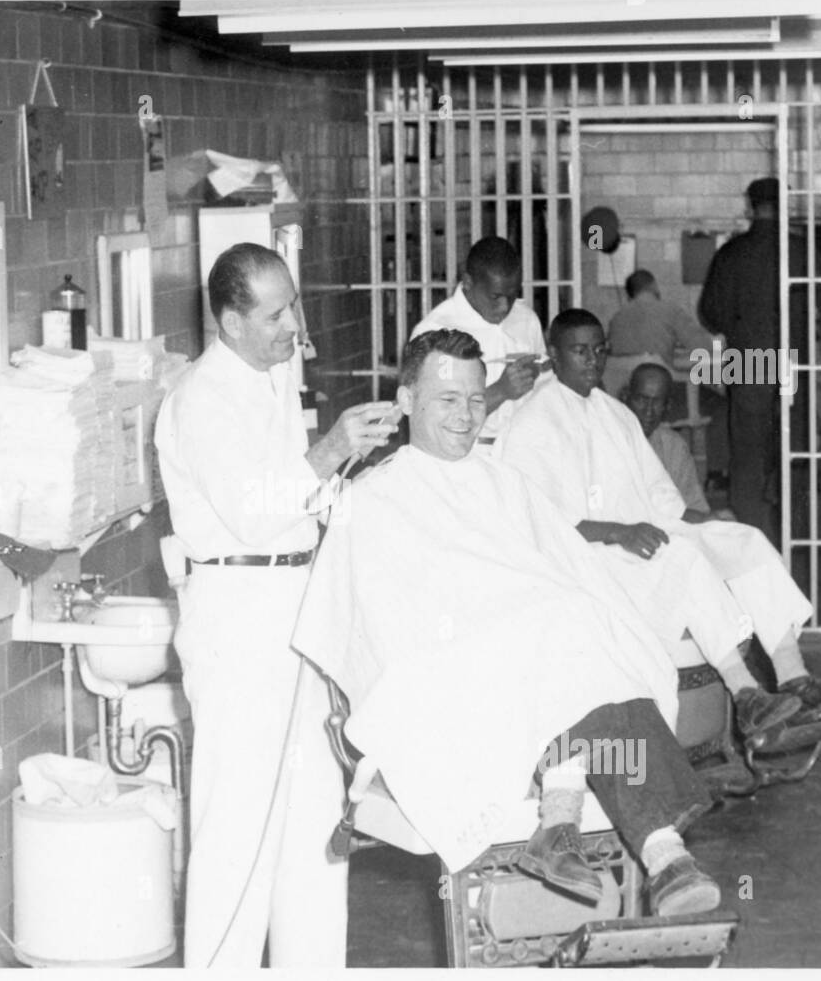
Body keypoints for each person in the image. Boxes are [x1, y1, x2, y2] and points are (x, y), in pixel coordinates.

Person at [293, 329, 722, 917]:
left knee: (582, 622)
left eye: (476, 400)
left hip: (536, 659)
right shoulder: (372, 498)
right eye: (447, 400)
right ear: (406, 400)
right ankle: (653, 844)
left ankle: (584, 828)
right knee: (559, 628)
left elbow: (571, 574)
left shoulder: (505, 481)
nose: (466, 417)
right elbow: (378, 630)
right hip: (442, 676)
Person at [154, 243, 399, 967]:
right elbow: (254, 513)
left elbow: (302, 502)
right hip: (239, 620)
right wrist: (330, 450)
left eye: (292, 302)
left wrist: (360, 468)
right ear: (230, 322)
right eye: (275, 313)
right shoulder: (200, 398)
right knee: (239, 830)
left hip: (295, 610)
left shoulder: (268, 378)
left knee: (314, 826)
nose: (294, 322)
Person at [499, 309, 821, 744]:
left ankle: (795, 676)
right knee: (683, 558)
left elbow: (661, 499)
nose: (592, 361)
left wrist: (706, 522)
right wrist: (618, 532)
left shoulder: (614, 414)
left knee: (745, 542)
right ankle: (747, 694)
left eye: (599, 351)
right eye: (579, 351)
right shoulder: (532, 420)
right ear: (554, 353)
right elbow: (534, 520)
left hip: (645, 532)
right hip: (589, 553)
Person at [697, 177, 799, 544]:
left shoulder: (731, 253)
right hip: (795, 361)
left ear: (750, 206)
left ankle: (756, 542)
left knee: (748, 456)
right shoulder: (802, 249)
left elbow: (710, 312)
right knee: (794, 450)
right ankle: (798, 540)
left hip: (750, 360)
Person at [410, 236, 547, 446]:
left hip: (524, 451)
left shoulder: (526, 319)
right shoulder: (436, 330)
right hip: (465, 452)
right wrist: (501, 391)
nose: (504, 306)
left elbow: (543, 389)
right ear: (468, 282)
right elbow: (430, 416)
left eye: (512, 295)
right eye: (495, 297)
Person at [606, 269, 729, 479]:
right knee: (721, 404)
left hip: (628, 404)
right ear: (654, 286)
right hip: (665, 402)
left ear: (630, 294)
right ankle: (715, 475)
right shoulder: (669, 310)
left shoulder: (616, 318)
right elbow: (705, 348)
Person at [622, 362, 725, 518]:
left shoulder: (673, 446)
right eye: (641, 400)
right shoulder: (606, 439)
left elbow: (694, 505)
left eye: (657, 402)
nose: (648, 411)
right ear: (626, 398)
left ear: (667, 407)